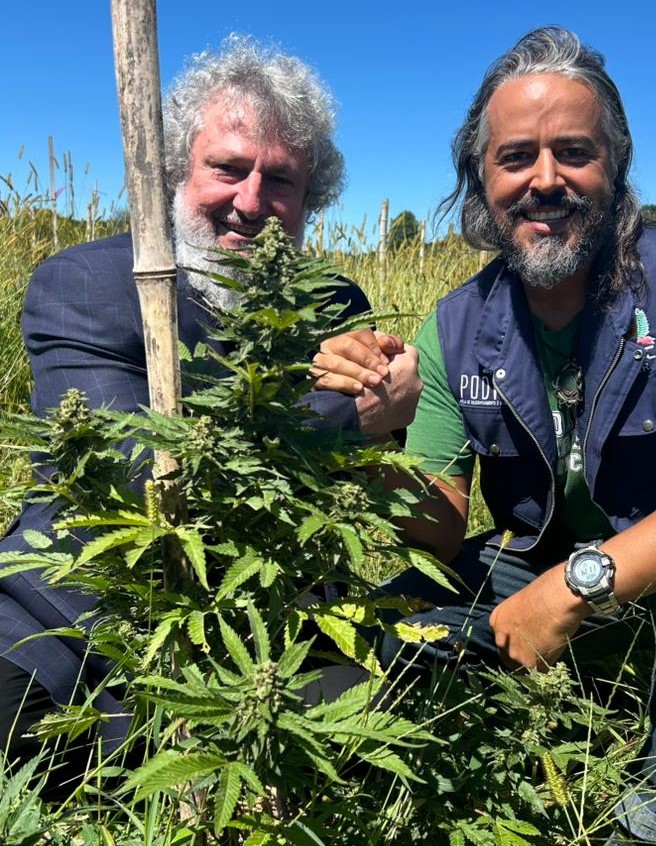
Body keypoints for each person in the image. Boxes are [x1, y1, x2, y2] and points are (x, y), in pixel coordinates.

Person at [315, 26, 656, 846]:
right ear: (482, 181)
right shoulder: (456, 326)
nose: (545, 180)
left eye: (574, 152)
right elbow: (438, 527)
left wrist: (576, 587)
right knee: (384, 620)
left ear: (614, 167)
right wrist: (365, 427)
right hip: (533, 571)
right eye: (515, 158)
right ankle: (375, 773)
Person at [0, 35, 420, 788]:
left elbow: (368, 482)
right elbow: (144, 477)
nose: (251, 202)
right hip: (78, 624)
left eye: (281, 179)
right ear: (174, 170)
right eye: (228, 168)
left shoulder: (335, 303)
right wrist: (351, 414)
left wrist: (394, 396)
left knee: (377, 767)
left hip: (274, 630)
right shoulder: (88, 284)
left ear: (310, 196)